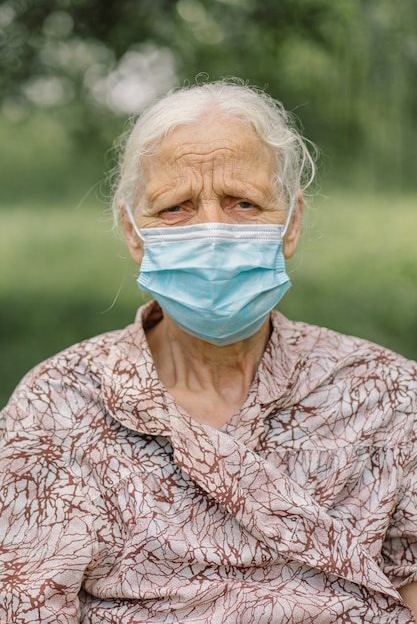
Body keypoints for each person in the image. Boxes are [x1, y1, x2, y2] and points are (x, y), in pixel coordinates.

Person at [1, 79, 417, 623]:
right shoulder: (57, 408)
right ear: (133, 232)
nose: (214, 232)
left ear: (290, 224)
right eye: (176, 208)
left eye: (243, 202)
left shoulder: (385, 393)